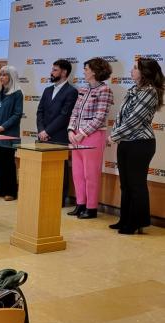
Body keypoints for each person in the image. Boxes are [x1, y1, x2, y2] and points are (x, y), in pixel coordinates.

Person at [108, 58, 164, 234]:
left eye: (135, 68)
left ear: (145, 72)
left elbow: (134, 120)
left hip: (141, 143)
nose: (131, 71)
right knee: (125, 184)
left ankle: (136, 222)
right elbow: (121, 116)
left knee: (136, 184)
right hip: (126, 142)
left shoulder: (150, 92)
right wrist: (117, 134)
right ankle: (125, 219)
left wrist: (114, 136)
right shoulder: (133, 89)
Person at [67, 58, 114, 219]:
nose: (84, 71)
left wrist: (83, 133)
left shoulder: (105, 90)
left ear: (94, 71)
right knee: (77, 173)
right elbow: (74, 112)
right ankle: (80, 204)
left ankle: (91, 207)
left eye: (86, 68)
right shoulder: (83, 89)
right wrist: (71, 131)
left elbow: (100, 117)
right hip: (76, 137)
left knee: (91, 174)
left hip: (93, 136)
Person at [36, 59, 79, 205]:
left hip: (59, 136)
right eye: (52, 69)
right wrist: (41, 130)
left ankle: (59, 200)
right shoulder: (47, 90)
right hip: (43, 137)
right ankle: (44, 196)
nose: (51, 72)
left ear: (64, 72)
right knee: (44, 168)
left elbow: (65, 116)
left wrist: (47, 131)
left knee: (60, 169)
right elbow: (39, 112)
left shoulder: (71, 92)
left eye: (55, 70)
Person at [0, 65, 23, 201]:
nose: (1, 77)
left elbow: (17, 114)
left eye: (5, 75)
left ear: (11, 77)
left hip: (8, 134)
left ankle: (11, 191)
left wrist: (3, 127)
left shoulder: (17, 93)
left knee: (8, 163)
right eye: (0, 75)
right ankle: (0, 188)